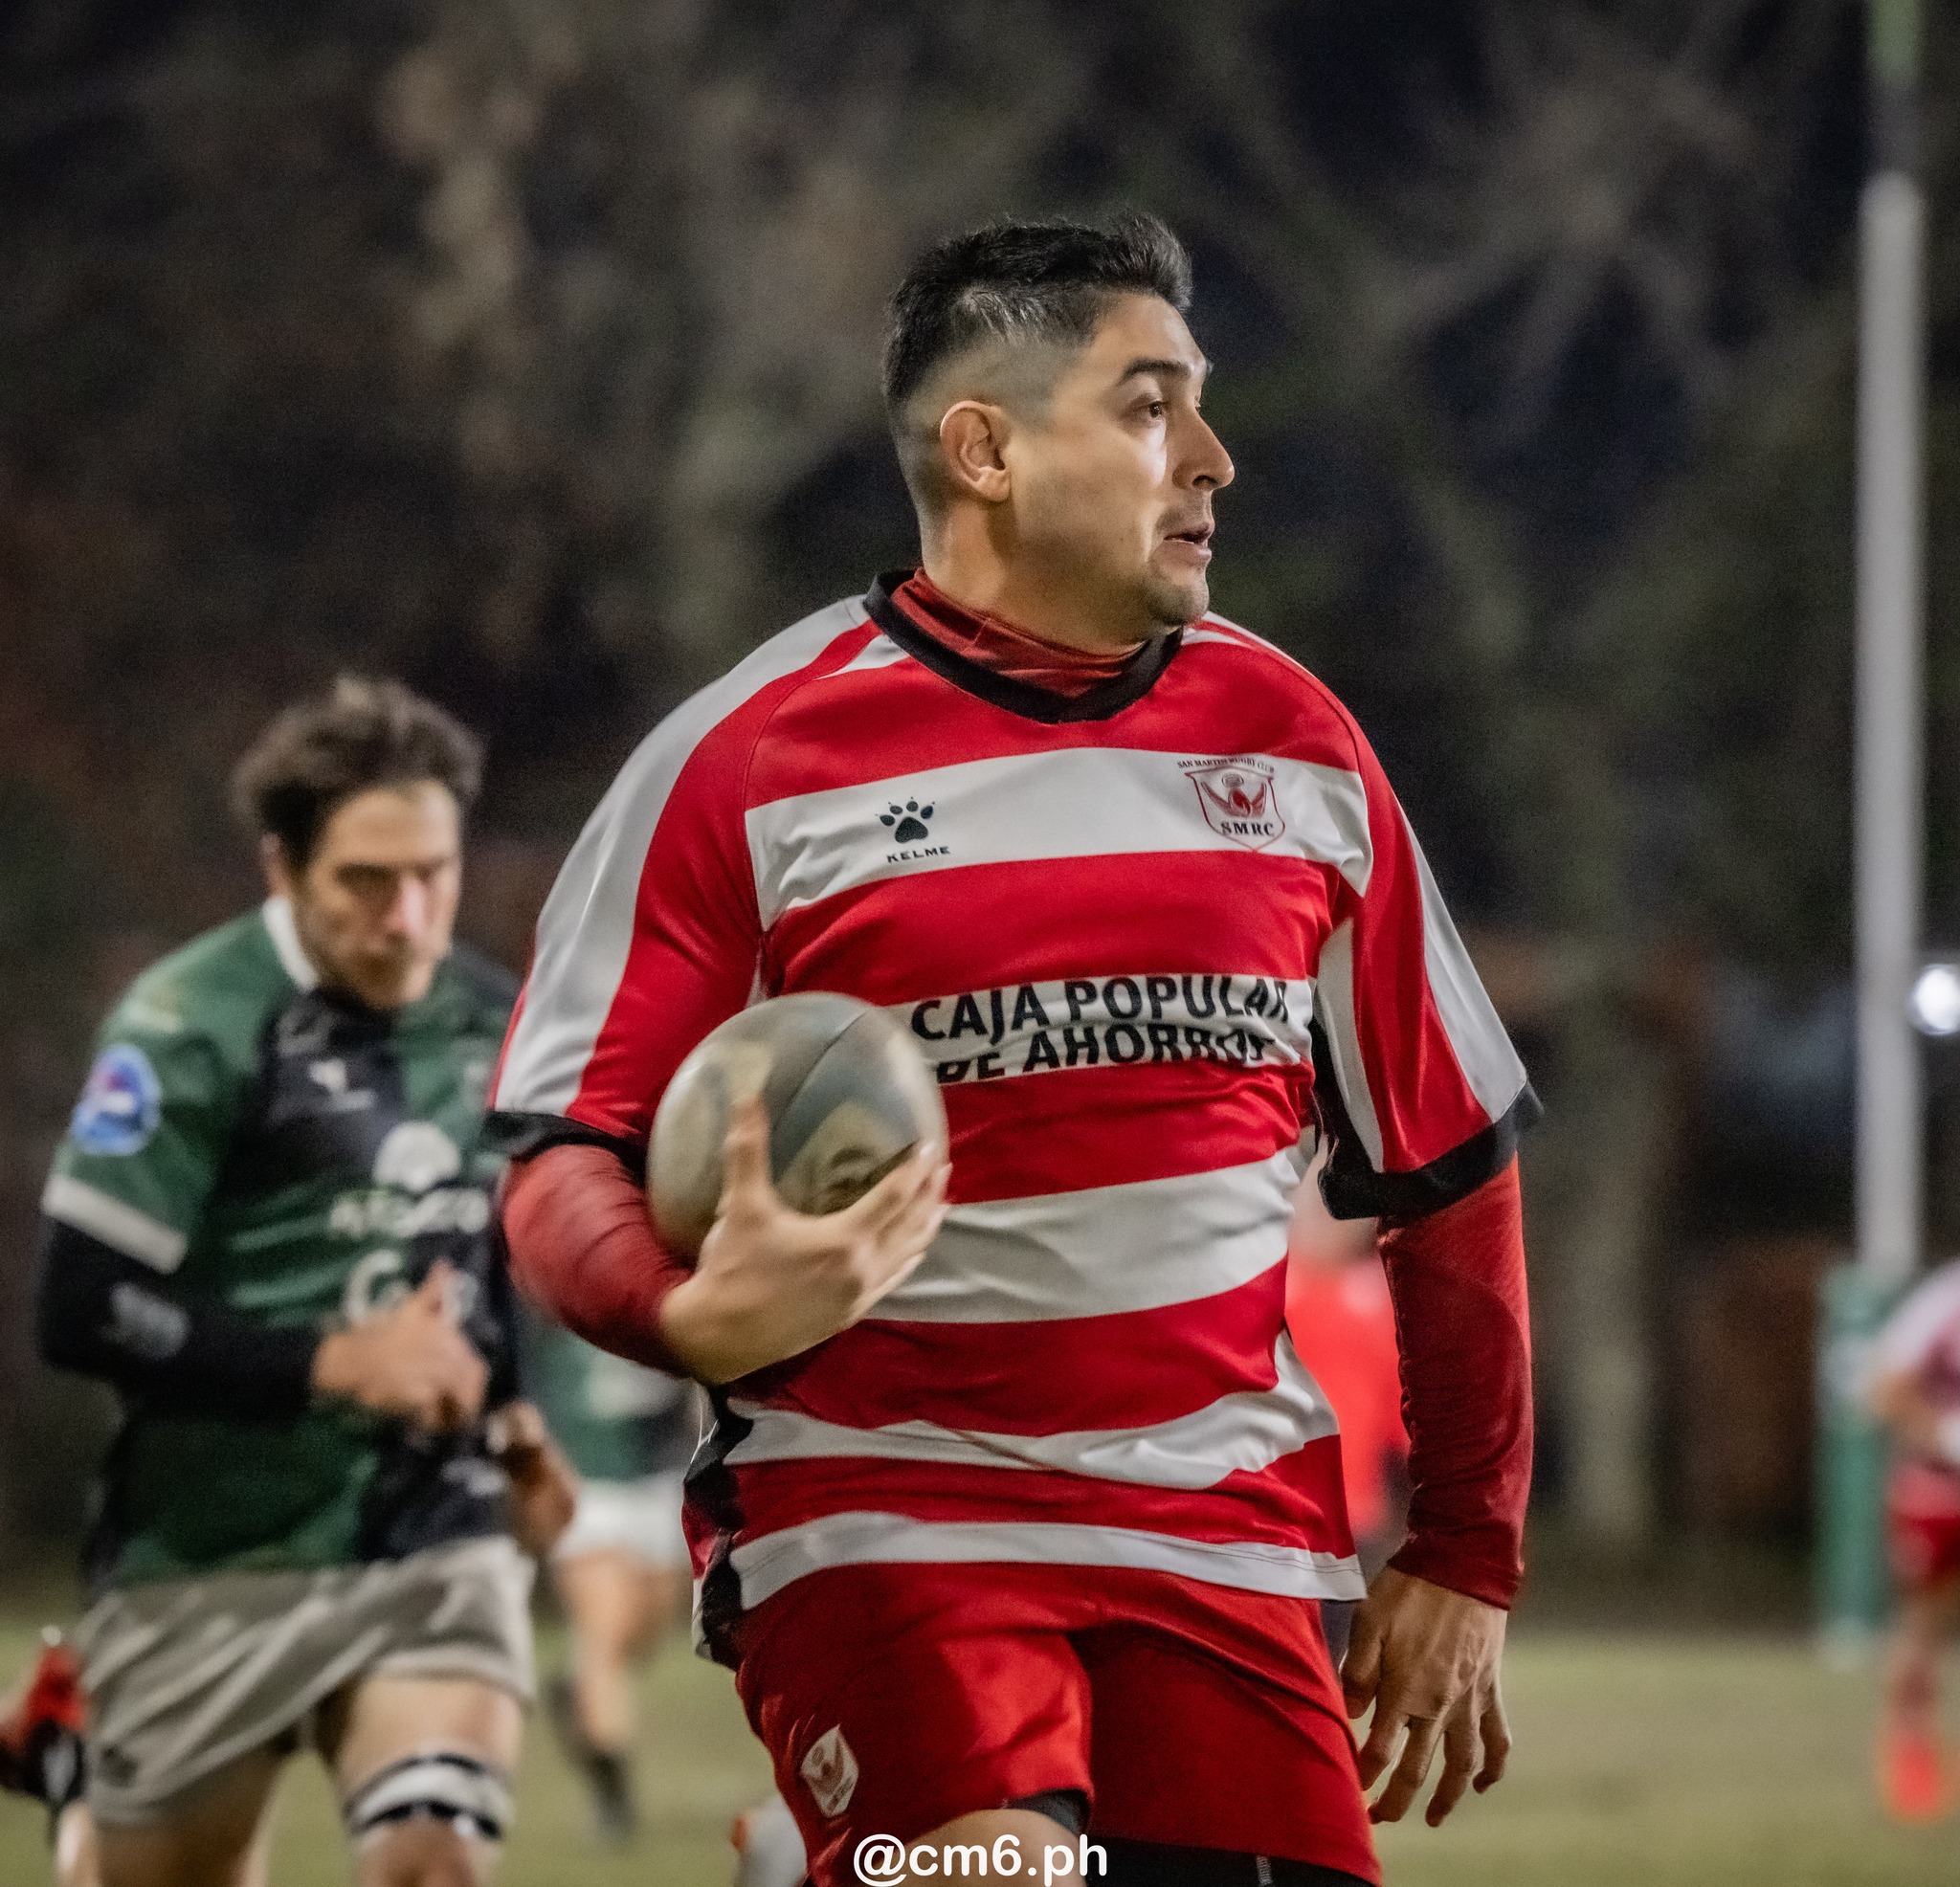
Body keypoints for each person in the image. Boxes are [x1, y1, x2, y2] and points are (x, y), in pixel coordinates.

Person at [493, 211, 1538, 1887]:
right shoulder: (744, 760)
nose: (1210, 455)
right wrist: (680, 1308)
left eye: (1197, 405)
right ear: (982, 448)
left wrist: (1469, 1550)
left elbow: (1449, 1167)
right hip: (885, 1510)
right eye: (1148, 407)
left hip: (1224, 1528)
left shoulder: (1297, 745)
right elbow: (564, 1151)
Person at [29, 677, 576, 1887]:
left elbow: (467, 1255)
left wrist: (513, 1421)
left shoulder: (490, 1020)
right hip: (216, 1552)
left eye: (433, 872)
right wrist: (336, 1362)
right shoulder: (189, 1026)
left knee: (432, 1857)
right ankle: (76, 1767)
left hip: (428, 1540)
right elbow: (77, 1304)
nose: (409, 916)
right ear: (282, 870)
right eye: (366, 883)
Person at [524, 1313, 702, 1840]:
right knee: (603, 1635)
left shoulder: (652, 1280)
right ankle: (613, 1803)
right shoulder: (549, 1293)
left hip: (658, 1475)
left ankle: (575, 1688)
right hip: (587, 1477)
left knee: (637, 1638)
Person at [1867, 1255, 1960, 1822]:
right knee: (1922, 1625)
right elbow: (1885, 1387)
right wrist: (1945, 1436)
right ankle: (1910, 1756)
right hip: (1936, 1491)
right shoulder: (1945, 1300)